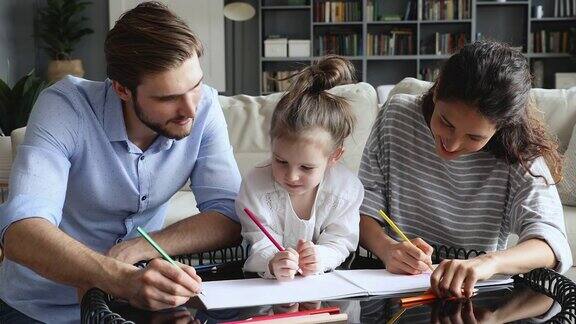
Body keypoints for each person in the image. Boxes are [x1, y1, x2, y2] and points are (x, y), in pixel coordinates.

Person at [0, 2, 242, 323]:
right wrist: (119, 277)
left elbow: (227, 213)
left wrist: (139, 248)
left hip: (136, 305)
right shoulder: (65, 107)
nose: (190, 109)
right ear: (121, 89)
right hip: (40, 308)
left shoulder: (205, 106)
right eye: (168, 98)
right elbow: (21, 230)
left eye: (195, 86)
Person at [358, 41, 573, 298]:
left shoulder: (518, 152)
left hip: (469, 299)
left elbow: (552, 245)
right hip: (390, 290)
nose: (452, 144)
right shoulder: (396, 117)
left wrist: (488, 263)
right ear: (436, 92)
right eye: (445, 122)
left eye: (474, 137)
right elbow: (362, 210)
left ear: (500, 128)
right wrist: (387, 248)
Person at [236, 56, 364, 280]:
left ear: (334, 156)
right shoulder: (255, 185)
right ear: (271, 145)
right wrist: (272, 260)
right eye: (280, 161)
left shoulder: (346, 189)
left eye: (306, 167)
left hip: (328, 288)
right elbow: (257, 240)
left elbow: (341, 241)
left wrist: (320, 257)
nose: (291, 176)